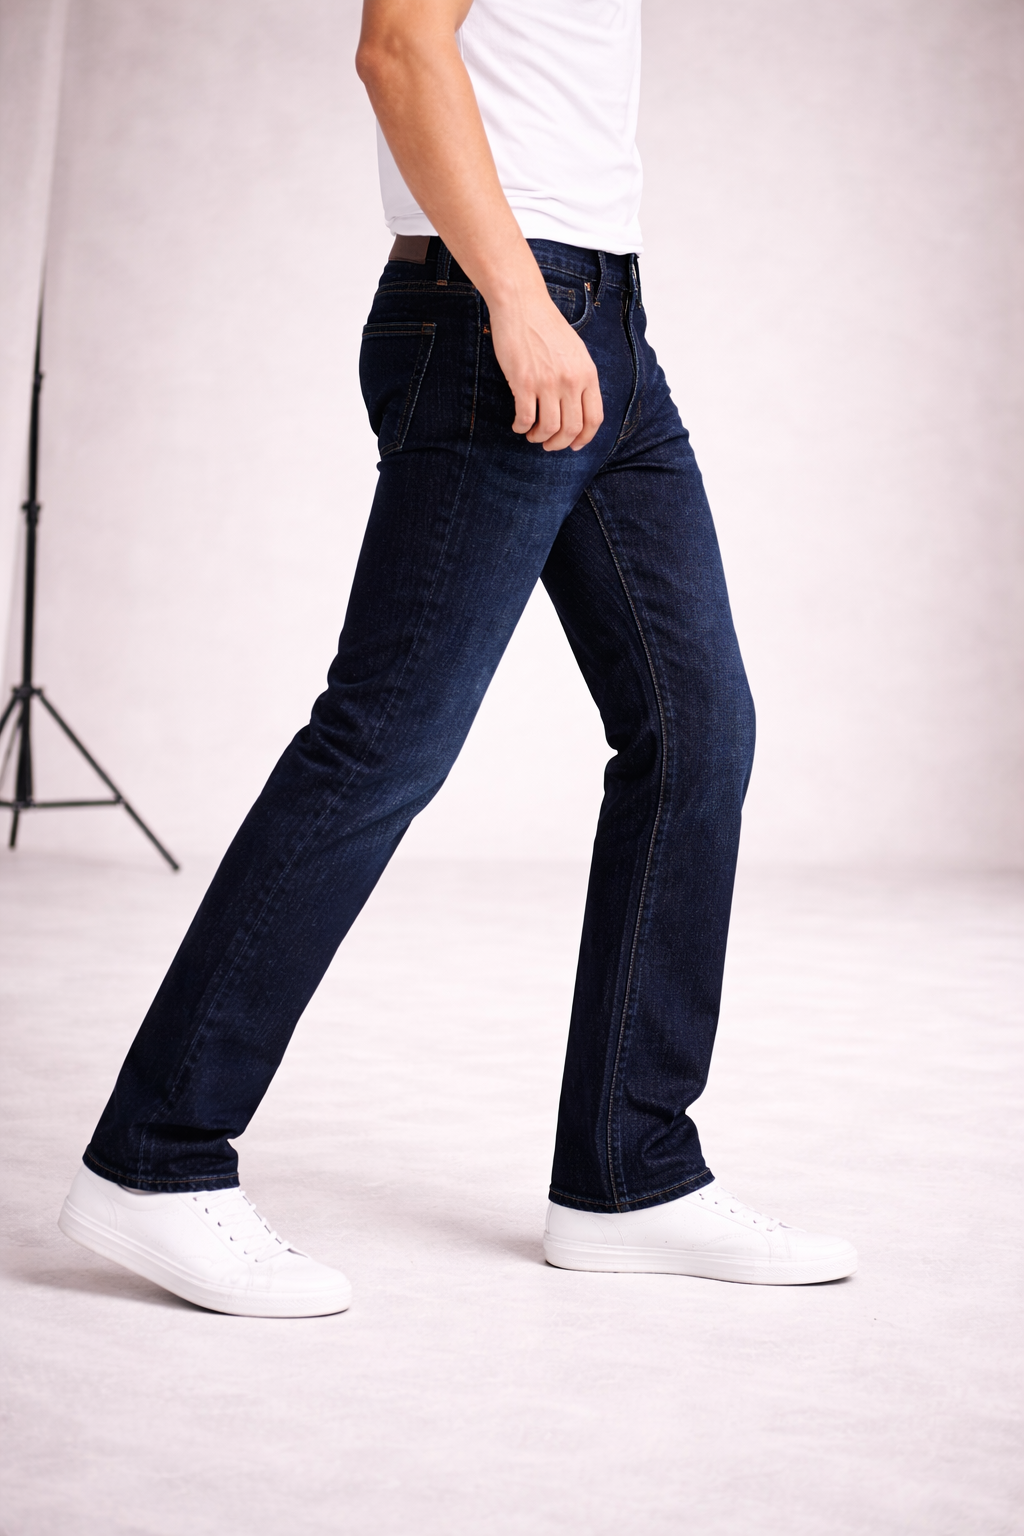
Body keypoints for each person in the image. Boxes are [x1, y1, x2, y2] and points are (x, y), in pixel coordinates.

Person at [58, 0, 857, 1316]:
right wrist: (518, 300)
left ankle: (629, 1173)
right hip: (503, 316)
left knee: (698, 730)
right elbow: (397, 46)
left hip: (607, 323)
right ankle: (157, 1156)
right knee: (381, 742)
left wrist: (565, 311)